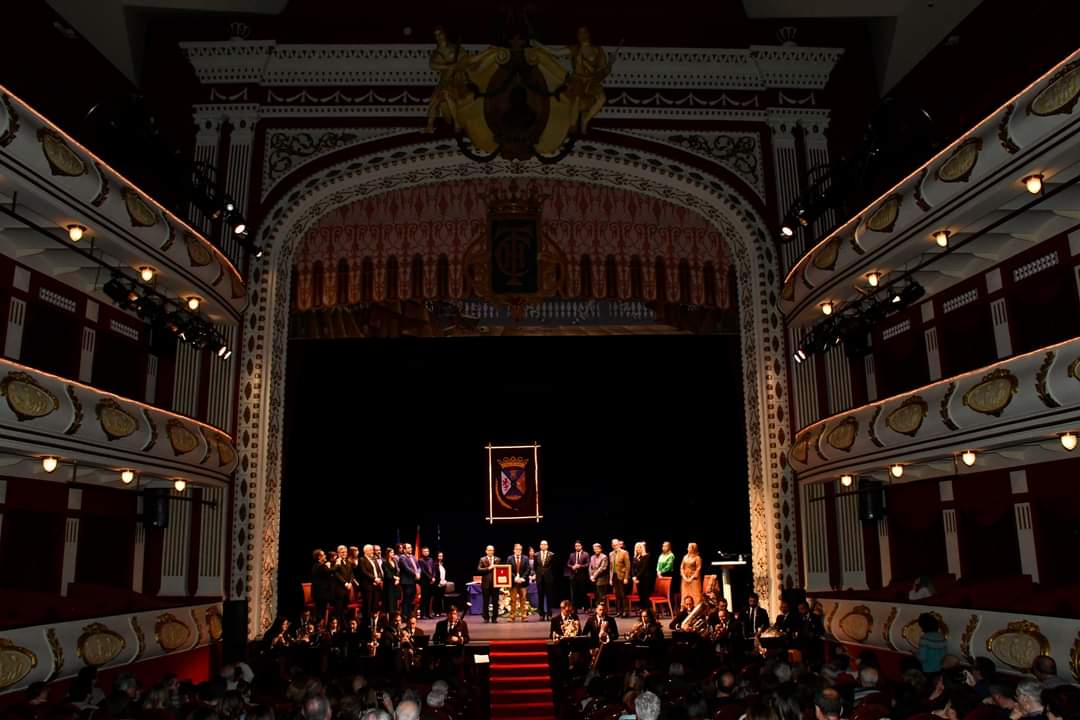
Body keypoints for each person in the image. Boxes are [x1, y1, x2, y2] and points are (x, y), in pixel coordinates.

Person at [357, 544, 383, 619]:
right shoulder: (362, 560)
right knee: (368, 606)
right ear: (366, 551)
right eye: (371, 550)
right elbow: (364, 572)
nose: (373, 551)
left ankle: (374, 623)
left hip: (376, 585)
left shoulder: (374, 559)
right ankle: (367, 623)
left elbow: (379, 571)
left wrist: (379, 579)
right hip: (368, 586)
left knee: (375, 606)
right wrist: (374, 579)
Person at [477, 545, 501, 623]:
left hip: (496, 584)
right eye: (489, 550)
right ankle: (486, 618)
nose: (491, 552)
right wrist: (488, 568)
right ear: (486, 551)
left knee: (495, 601)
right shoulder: (482, 559)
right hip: (486, 584)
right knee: (486, 602)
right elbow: (479, 569)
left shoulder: (498, 559)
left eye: (492, 550)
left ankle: (494, 618)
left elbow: (502, 570)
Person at [535, 540, 557, 621]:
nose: (543, 546)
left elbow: (554, 567)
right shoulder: (536, 555)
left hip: (549, 578)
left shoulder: (551, 555)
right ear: (540, 546)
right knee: (540, 596)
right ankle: (541, 614)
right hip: (539, 578)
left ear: (547, 546)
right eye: (542, 544)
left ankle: (549, 614)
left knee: (549, 597)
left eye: (545, 544)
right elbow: (535, 567)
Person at [566, 541, 590, 612]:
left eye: (578, 546)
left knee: (583, 592)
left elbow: (588, 564)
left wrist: (580, 566)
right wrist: (572, 566)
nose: (577, 547)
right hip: (573, 576)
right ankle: (574, 608)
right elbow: (568, 564)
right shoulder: (572, 555)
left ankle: (586, 608)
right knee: (574, 594)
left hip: (582, 576)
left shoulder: (585, 554)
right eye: (576, 546)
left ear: (581, 546)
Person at [610, 538, 631, 618]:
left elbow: (628, 566)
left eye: (616, 544)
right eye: (613, 545)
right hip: (614, 576)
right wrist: (610, 579)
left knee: (623, 594)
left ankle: (625, 611)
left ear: (619, 545)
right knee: (617, 595)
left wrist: (626, 577)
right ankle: (618, 611)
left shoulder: (624, 553)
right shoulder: (611, 554)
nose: (615, 546)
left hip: (622, 576)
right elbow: (611, 568)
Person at [310, 549, 333, 623]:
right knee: (320, 613)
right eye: (323, 555)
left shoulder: (319, 566)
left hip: (321, 593)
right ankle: (320, 626)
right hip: (320, 595)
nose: (325, 556)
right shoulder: (320, 567)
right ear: (319, 557)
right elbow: (330, 572)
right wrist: (336, 564)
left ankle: (323, 624)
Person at [509, 543, 530, 622]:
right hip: (513, 582)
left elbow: (528, 569)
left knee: (523, 599)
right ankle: (512, 616)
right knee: (513, 600)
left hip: (523, 583)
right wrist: (515, 577)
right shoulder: (509, 558)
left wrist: (522, 578)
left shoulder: (525, 558)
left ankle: (523, 616)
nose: (518, 551)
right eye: (517, 549)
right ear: (514, 550)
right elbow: (508, 569)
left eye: (520, 549)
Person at [398, 544, 420, 620]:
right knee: (406, 599)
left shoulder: (413, 557)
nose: (410, 549)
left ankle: (409, 615)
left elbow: (418, 567)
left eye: (411, 547)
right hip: (406, 582)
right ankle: (405, 616)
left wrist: (418, 573)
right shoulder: (402, 558)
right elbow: (406, 568)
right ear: (404, 550)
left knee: (411, 598)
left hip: (413, 581)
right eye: (408, 548)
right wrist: (415, 574)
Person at [332, 545, 354, 618]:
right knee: (338, 609)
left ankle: (344, 627)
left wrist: (350, 582)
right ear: (338, 553)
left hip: (347, 588)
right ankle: (337, 627)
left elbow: (351, 573)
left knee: (345, 608)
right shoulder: (336, 562)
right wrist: (345, 583)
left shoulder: (348, 561)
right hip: (339, 588)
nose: (344, 554)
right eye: (342, 552)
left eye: (345, 552)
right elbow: (336, 574)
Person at [632, 541, 655, 609]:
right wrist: (633, 576)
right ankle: (642, 612)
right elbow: (633, 568)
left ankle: (647, 612)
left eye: (639, 547)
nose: (638, 549)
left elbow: (643, 568)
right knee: (641, 596)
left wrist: (636, 577)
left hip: (645, 579)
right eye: (636, 548)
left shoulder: (646, 556)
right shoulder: (635, 557)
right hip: (638, 579)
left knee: (645, 596)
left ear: (642, 548)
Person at [382, 547, 400, 614]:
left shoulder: (394, 561)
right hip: (388, 585)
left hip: (395, 584)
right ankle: (388, 622)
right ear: (388, 553)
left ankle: (393, 621)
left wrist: (398, 578)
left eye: (393, 552)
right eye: (392, 552)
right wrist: (394, 578)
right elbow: (387, 573)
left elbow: (397, 571)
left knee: (394, 602)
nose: (393, 554)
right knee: (389, 603)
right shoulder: (384, 563)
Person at [418, 547, 435, 619]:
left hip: (431, 582)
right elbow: (423, 571)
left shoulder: (431, 559)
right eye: (424, 551)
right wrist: (430, 578)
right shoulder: (420, 560)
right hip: (424, 581)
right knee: (424, 598)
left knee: (429, 598)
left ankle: (428, 613)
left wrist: (433, 577)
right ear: (422, 552)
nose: (426, 552)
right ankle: (423, 614)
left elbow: (433, 569)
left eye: (427, 551)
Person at [432, 551, 448, 616]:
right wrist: (439, 582)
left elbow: (444, 573)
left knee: (441, 597)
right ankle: (436, 612)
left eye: (442, 556)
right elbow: (435, 574)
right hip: (437, 583)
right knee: (436, 598)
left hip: (443, 583)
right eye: (439, 556)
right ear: (437, 556)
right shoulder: (435, 564)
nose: (440, 557)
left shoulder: (443, 564)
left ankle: (440, 612)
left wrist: (445, 581)